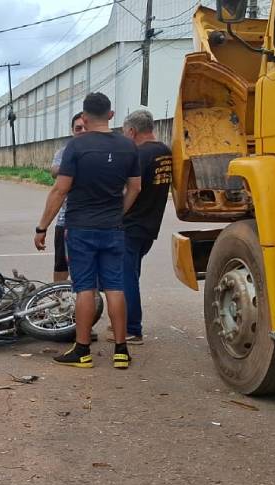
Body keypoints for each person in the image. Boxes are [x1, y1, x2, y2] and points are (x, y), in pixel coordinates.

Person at [33, 92, 141, 370]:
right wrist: (119, 212)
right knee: (115, 287)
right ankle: (121, 350)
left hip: (81, 229)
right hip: (113, 228)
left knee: (85, 289)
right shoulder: (128, 146)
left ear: (84, 117)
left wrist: (42, 227)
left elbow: (60, 190)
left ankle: (82, 350)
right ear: (111, 115)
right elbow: (135, 187)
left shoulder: (76, 146)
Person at [120, 109, 174, 345]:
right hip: (150, 225)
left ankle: (132, 329)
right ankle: (124, 320)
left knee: (126, 278)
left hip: (131, 224)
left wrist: (118, 215)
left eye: (125, 132)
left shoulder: (138, 154)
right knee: (132, 273)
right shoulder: (165, 152)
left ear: (132, 131)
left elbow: (132, 188)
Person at [50, 113, 88, 283]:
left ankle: (90, 298)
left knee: (88, 268)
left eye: (85, 127)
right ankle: (57, 296)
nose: (82, 131)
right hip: (65, 220)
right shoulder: (64, 152)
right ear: (72, 131)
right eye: (78, 128)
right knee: (61, 265)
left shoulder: (99, 151)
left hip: (91, 221)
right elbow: (54, 172)